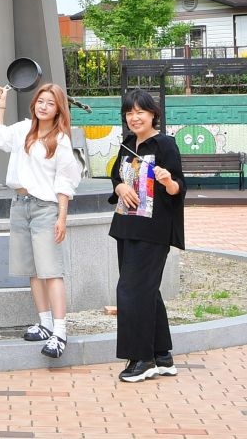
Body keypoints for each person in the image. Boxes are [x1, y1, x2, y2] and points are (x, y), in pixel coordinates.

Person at [0, 83, 82, 359]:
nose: (44, 106)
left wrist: (62, 216)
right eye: (41, 101)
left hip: (45, 207)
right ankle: (45, 322)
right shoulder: (23, 129)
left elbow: (65, 180)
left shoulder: (60, 139)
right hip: (19, 205)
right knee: (33, 270)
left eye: (50, 103)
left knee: (51, 270)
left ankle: (60, 331)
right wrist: (1, 103)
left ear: (58, 109)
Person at [109, 89, 185, 383]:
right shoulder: (127, 144)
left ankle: (142, 359)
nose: (134, 117)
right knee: (146, 290)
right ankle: (162, 355)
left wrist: (168, 181)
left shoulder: (165, 144)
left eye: (140, 111)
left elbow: (179, 187)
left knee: (131, 291)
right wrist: (120, 187)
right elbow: (117, 177)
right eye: (129, 113)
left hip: (154, 230)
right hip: (126, 226)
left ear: (153, 114)